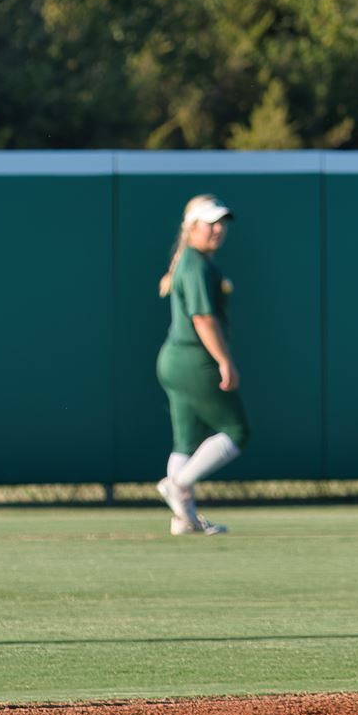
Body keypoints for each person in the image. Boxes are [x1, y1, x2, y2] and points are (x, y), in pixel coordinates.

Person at [152, 195, 247, 536]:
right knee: (237, 431)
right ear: (191, 228)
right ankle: (176, 484)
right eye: (211, 223)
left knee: (186, 442)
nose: (218, 229)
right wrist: (224, 361)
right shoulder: (195, 264)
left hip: (175, 360)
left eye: (222, 223)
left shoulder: (196, 262)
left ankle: (185, 520)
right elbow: (203, 318)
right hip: (193, 359)